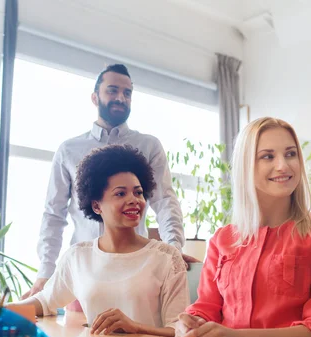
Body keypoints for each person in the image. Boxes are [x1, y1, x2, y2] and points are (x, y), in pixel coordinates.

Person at [175, 117, 311, 337]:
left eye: (290, 154)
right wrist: (188, 324)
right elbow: (206, 306)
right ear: (246, 166)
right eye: (267, 156)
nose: (283, 165)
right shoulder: (222, 239)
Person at [25, 64, 193, 298]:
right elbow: (53, 214)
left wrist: (174, 248)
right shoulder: (68, 150)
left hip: (136, 271)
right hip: (81, 274)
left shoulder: (149, 146)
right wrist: (45, 272)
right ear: (95, 97)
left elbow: (164, 201)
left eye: (127, 93)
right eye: (112, 90)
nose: (121, 98)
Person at [12, 145, 190, 337]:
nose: (134, 200)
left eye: (138, 192)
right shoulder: (78, 257)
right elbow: (44, 302)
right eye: (121, 193)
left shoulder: (166, 258)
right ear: (96, 205)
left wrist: (136, 327)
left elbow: (179, 329)